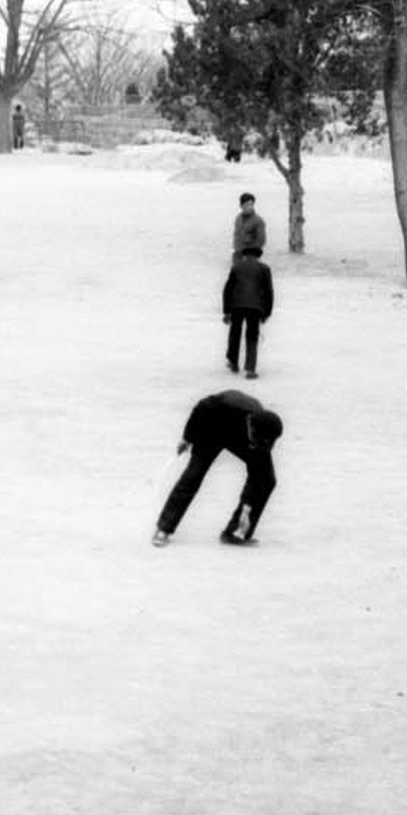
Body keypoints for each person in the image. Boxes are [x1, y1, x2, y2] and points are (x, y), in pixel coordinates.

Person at [152, 389, 283, 548]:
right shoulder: (227, 404)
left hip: (239, 439)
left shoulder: (262, 435)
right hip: (211, 431)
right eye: (256, 440)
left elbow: (257, 477)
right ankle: (164, 528)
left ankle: (236, 531)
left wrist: (247, 510)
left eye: (261, 443)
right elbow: (200, 408)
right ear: (250, 424)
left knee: (266, 480)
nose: (257, 445)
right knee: (193, 475)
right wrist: (187, 438)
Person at [222, 246, 274, 379]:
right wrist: (267, 312)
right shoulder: (264, 269)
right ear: (258, 256)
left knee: (235, 333)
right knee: (252, 336)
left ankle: (233, 362)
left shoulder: (236, 267)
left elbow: (228, 289)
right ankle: (250, 369)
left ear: (245, 255)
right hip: (255, 307)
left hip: (237, 305)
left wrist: (227, 311)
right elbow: (268, 292)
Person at [232, 191, 266, 260]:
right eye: (247, 205)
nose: (250, 207)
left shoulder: (258, 221)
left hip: (251, 256)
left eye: (251, 204)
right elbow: (236, 235)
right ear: (241, 206)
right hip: (238, 254)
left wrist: (248, 253)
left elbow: (261, 241)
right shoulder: (238, 218)